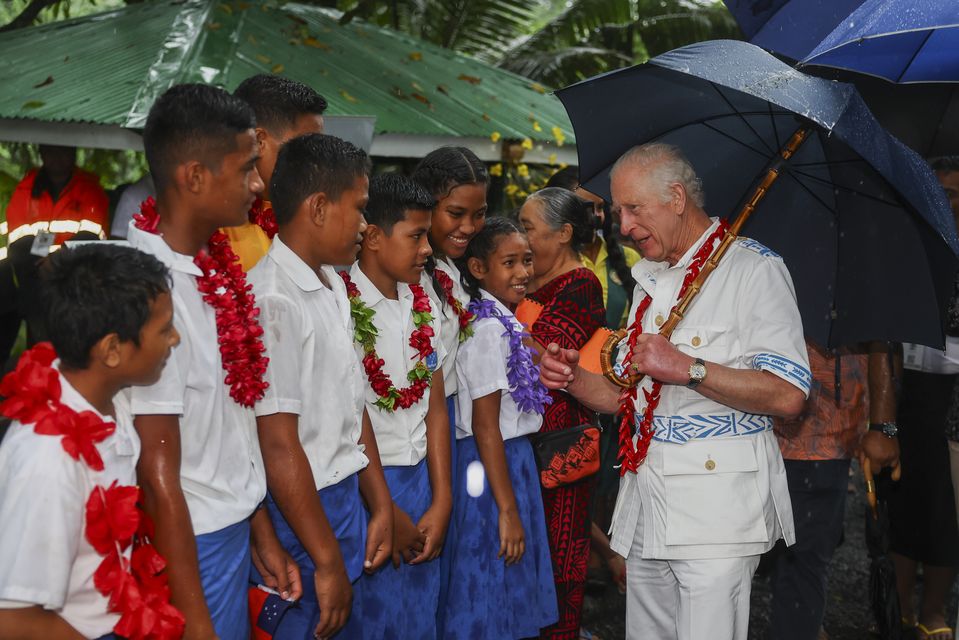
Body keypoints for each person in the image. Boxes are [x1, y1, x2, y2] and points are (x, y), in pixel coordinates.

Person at [539, 143, 810, 640]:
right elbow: (629, 401)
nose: (622, 225)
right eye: (619, 210)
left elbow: (790, 394)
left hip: (717, 515)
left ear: (678, 198)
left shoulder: (754, 271)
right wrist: (571, 377)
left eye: (633, 209)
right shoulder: (650, 281)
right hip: (646, 506)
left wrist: (689, 368)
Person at [127, 83, 298, 639]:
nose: (258, 182)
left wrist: (260, 530)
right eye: (247, 166)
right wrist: (194, 618)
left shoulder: (213, 271)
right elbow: (157, 476)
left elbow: (227, 427)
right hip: (189, 547)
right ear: (194, 177)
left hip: (231, 528)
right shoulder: (150, 295)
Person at [248, 133, 394, 639]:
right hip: (302, 512)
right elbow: (278, 444)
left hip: (343, 497)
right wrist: (326, 562)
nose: (365, 225)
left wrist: (379, 503)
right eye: (359, 209)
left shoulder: (331, 282)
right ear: (317, 208)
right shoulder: (274, 301)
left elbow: (354, 406)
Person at [0, 244, 182, 639]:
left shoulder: (108, 400)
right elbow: (13, 619)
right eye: (164, 329)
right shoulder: (46, 461)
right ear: (112, 350)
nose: (175, 339)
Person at [442, 216, 558, 638]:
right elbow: (485, 424)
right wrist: (507, 509)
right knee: (491, 575)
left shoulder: (504, 322)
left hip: (511, 463)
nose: (523, 272)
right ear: (478, 269)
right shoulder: (488, 329)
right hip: (492, 466)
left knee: (506, 579)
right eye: (509, 263)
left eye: (527, 260)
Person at [347, 173, 452, 638]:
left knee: (418, 618)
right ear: (372, 237)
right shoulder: (341, 306)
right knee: (374, 621)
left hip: (425, 482)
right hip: (368, 489)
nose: (428, 248)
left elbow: (436, 407)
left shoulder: (423, 300)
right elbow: (349, 418)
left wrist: (443, 498)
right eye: (416, 236)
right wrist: (385, 506)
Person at [518, 187, 606, 639]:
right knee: (521, 552)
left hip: (559, 447)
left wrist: (493, 316)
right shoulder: (524, 278)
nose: (522, 235)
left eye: (529, 227)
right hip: (520, 441)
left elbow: (546, 353)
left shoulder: (581, 285)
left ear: (564, 232)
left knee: (558, 559)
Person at [769, 342, 901, 640]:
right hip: (756, 423)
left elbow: (885, 338)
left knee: (801, 564)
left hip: (824, 437)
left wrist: (884, 427)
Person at [411, 145, 489, 633]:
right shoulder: (408, 276)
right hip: (421, 434)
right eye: (456, 213)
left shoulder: (449, 273)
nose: (468, 227)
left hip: (454, 429)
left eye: (479, 215)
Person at [891, 156, 959, 640]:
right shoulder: (909, 242)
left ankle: (934, 612)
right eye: (937, 191)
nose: (943, 201)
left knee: (945, 503)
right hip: (905, 385)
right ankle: (897, 610)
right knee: (902, 496)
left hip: (953, 395)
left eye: (952, 193)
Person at [225, 74, 327, 270]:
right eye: (305, 148)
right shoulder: (218, 221)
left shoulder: (307, 217)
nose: (316, 162)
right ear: (258, 141)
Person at [4, 144, 109, 252]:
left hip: (78, 264)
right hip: (31, 264)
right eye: (50, 150)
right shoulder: (26, 189)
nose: (56, 155)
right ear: (41, 152)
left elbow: (89, 238)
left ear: (73, 152)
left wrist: (56, 260)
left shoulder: (91, 189)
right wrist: (42, 257)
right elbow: (19, 242)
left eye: (63, 149)